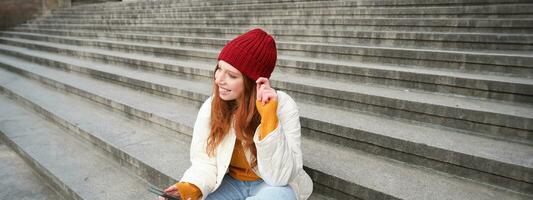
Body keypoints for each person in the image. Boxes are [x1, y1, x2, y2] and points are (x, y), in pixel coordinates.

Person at [159, 28, 313, 200]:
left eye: (231, 75)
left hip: (270, 185)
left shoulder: (283, 106)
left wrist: (269, 117)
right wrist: (190, 187)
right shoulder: (211, 106)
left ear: (252, 82)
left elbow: (280, 177)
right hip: (229, 182)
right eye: (219, 69)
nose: (218, 80)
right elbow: (204, 160)